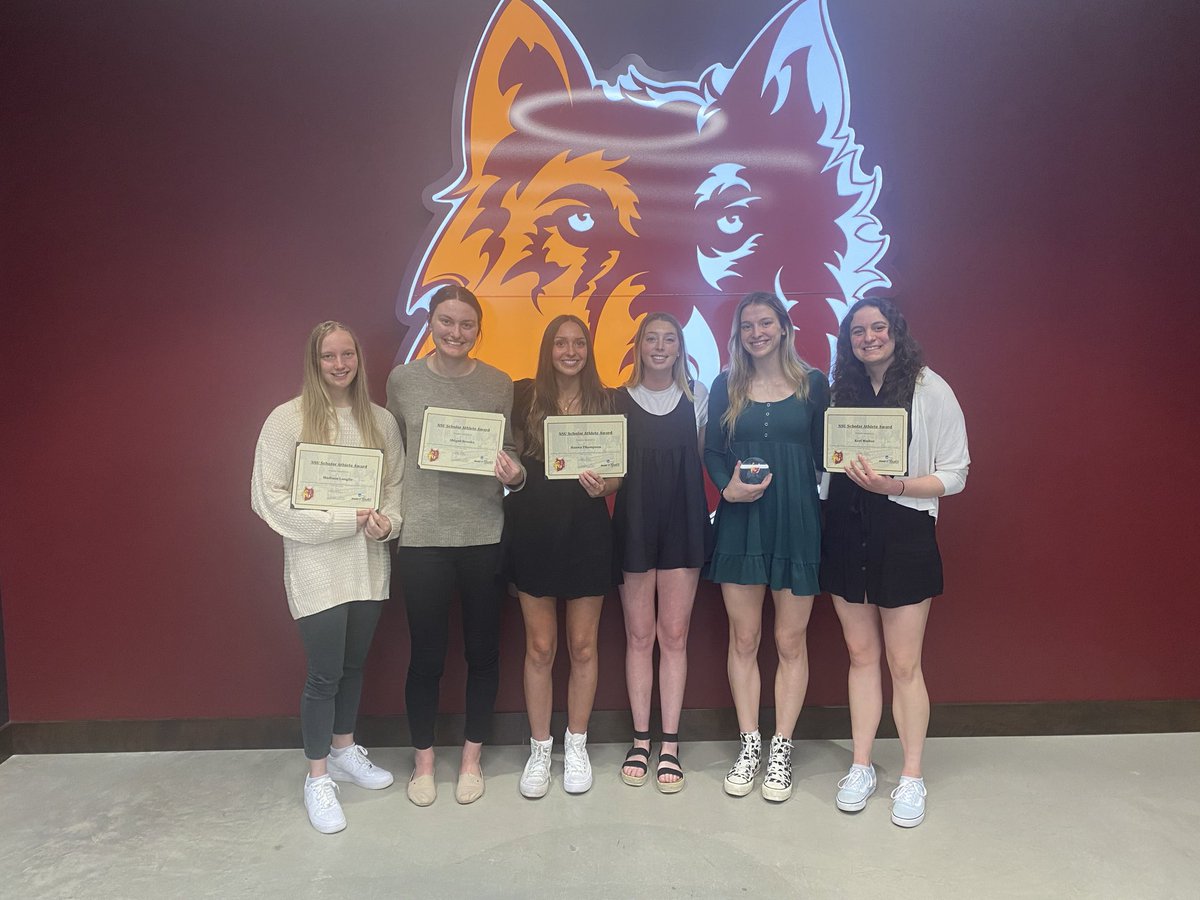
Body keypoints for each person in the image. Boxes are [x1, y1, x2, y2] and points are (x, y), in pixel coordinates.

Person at [820, 297, 969, 828]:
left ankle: (910, 775)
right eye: (857, 331)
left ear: (895, 332)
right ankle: (861, 766)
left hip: (904, 533)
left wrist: (896, 485)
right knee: (861, 656)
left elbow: (955, 473)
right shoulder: (840, 390)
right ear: (848, 341)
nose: (868, 338)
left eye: (877, 327)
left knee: (904, 664)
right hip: (844, 531)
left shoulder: (931, 388)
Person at [251, 320, 404, 834]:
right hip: (317, 566)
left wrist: (387, 524)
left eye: (347, 356)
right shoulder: (285, 420)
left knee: (354, 665)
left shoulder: (380, 421)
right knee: (324, 674)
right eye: (328, 357)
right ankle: (317, 777)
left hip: (367, 565)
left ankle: (343, 750)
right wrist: (343, 521)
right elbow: (268, 499)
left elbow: (394, 490)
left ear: (359, 361)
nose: (339, 366)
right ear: (313, 362)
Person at [385, 285, 526, 807]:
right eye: (446, 321)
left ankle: (471, 759)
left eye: (466, 325)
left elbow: (508, 449)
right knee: (426, 656)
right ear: (431, 322)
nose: (456, 333)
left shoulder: (497, 383)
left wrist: (516, 472)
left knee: (483, 654)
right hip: (422, 536)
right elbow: (392, 452)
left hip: (483, 535)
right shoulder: (402, 381)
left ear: (478, 331)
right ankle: (423, 764)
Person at [704, 291, 829, 803]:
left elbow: (829, 453)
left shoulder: (814, 384)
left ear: (783, 327)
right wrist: (726, 488)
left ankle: (782, 747)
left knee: (791, 641)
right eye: (748, 325)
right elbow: (713, 450)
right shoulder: (724, 385)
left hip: (799, 520)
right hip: (741, 521)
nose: (757, 332)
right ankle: (749, 743)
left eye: (765, 322)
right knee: (744, 639)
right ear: (739, 335)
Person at [506, 315, 620, 798]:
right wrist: (510, 475)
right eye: (561, 342)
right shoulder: (522, 394)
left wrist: (607, 484)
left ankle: (576, 744)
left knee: (584, 647)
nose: (570, 351)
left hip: (589, 534)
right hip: (533, 533)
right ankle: (539, 747)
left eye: (578, 343)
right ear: (548, 348)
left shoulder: (609, 400)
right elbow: (511, 465)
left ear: (588, 349)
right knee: (539, 648)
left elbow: (619, 477)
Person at [613, 313, 710, 793]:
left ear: (680, 348)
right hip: (633, 524)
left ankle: (669, 743)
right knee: (638, 636)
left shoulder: (699, 399)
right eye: (651, 337)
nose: (660, 346)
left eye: (669, 338)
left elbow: (707, 457)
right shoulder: (616, 400)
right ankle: (640, 739)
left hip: (683, 522)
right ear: (638, 346)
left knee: (674, 636)